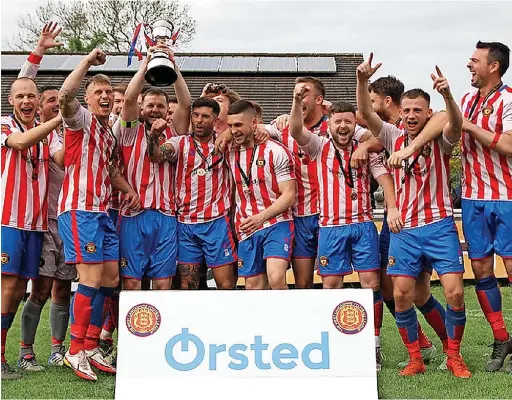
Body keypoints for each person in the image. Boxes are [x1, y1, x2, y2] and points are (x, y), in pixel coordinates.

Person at [392, 41, 512, 373]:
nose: (469, 65)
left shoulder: (508, 99)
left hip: (506, 198)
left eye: (475, 60)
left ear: (494, 66)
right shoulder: (469, 101)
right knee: (483, 272)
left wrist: (468, 125)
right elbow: (444, 118)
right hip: (473, 199)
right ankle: (502, 340)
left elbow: (509, 145)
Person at [357, 54, 471, 378]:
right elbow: (365, 112)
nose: (409, 116)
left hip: (439, 226)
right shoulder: (391, 135)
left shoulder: (440, 139)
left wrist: (448, 94)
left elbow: (454, 121)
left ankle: (454, 357)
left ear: (427, 112)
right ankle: (415, 358)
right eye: (405, 110)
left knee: (455, 292)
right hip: (404, 230)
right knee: (402, 295)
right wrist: (362, 81)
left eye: (416, 110)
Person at [289, 83, 397, 371]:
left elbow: (384, 177)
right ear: (330, 124)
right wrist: (297, 100)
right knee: (331, 285)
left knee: (371, 285)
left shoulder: (367, 149)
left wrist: (392, 204)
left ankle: (373, 345)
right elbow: (296, 131)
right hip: (330, 227)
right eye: (338, 121)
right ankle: (334, 342)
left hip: (362, 225)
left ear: (354, 124)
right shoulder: (319, 145)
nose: (343, 126)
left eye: (348, 121)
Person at [57, 48, 139, 381]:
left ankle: (90, 345)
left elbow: (111, 172)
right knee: (89, 280)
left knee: (110, 279)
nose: (105, 96)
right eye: (98, 92)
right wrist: (87, 63)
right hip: (79, 210)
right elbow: (64, 95)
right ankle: (74, 351)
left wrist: (127, 189)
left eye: (109, 92)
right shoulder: (81, 120)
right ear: (88, 100)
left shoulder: (108, 133)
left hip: (102, 213)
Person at [14, 23, 77, 372]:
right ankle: (25, 352)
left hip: (67, 221)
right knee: (38, 289)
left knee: (63, 288)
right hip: (36, 223)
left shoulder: (68, 133)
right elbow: (22, 86)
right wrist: (38, 50)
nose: (55, 104)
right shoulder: (26, 130)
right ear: (40, 106)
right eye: (50, 100)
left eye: (59, 100)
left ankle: (57, 349)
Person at [1, 67, 64, 379]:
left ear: (37, 101)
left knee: (20, 289)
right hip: (9, 220)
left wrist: (80, 130)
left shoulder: (49, 134)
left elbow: (62, 158)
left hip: (36, 225)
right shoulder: (4, 124)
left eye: (31, 96)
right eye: (20, 96)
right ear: (11, 100)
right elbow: (21, 142)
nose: (26, 100)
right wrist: (60, 118)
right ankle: (0, 360)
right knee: (8, 287)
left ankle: (7, 357)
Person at [117, 45, 191, 291]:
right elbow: (128, 98)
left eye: (160, 105)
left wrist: (171, 63)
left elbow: (186, 103)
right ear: (141, 109)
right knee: (132, 281)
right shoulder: (130, 132)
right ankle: (135, 329)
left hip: (167, 216)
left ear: (167, 110)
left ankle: (160, 329)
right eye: (150, 105)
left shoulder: (175, 133)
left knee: (163, 282)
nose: (155, 110)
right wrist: (147, 62)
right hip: (133, 215)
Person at [147, 97, 236, 289]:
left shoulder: (225, 143)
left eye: (205, 116)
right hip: (186, 223)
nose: (199, 120)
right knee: (188, 284)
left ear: (215, 120)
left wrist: (229, 131)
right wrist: (153, 135)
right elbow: (155, 156)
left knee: (225, 284)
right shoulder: (179, 143)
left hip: (217, 222)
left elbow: (252, 125)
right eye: (195, 115)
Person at [266, 77, 329, 289]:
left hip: (328, 215)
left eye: (304, 93)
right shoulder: (281, 127)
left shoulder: (336, 126)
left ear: (319, 99)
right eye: (296, 93)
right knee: (303, 283)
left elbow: (372, 131)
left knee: (332, 280)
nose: (299, 96)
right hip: (299, 215)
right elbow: (250, 126)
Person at [225, 100, 296, 289]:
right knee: (253, 287)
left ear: (254, 123)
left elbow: (289, 195)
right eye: (230, 126)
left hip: (276, 222)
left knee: (276, 277)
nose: (233, 131)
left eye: (238, 125)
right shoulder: (229, 151)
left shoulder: (276, 151)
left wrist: (261, 217)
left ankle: (286, 319)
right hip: (246, 226)